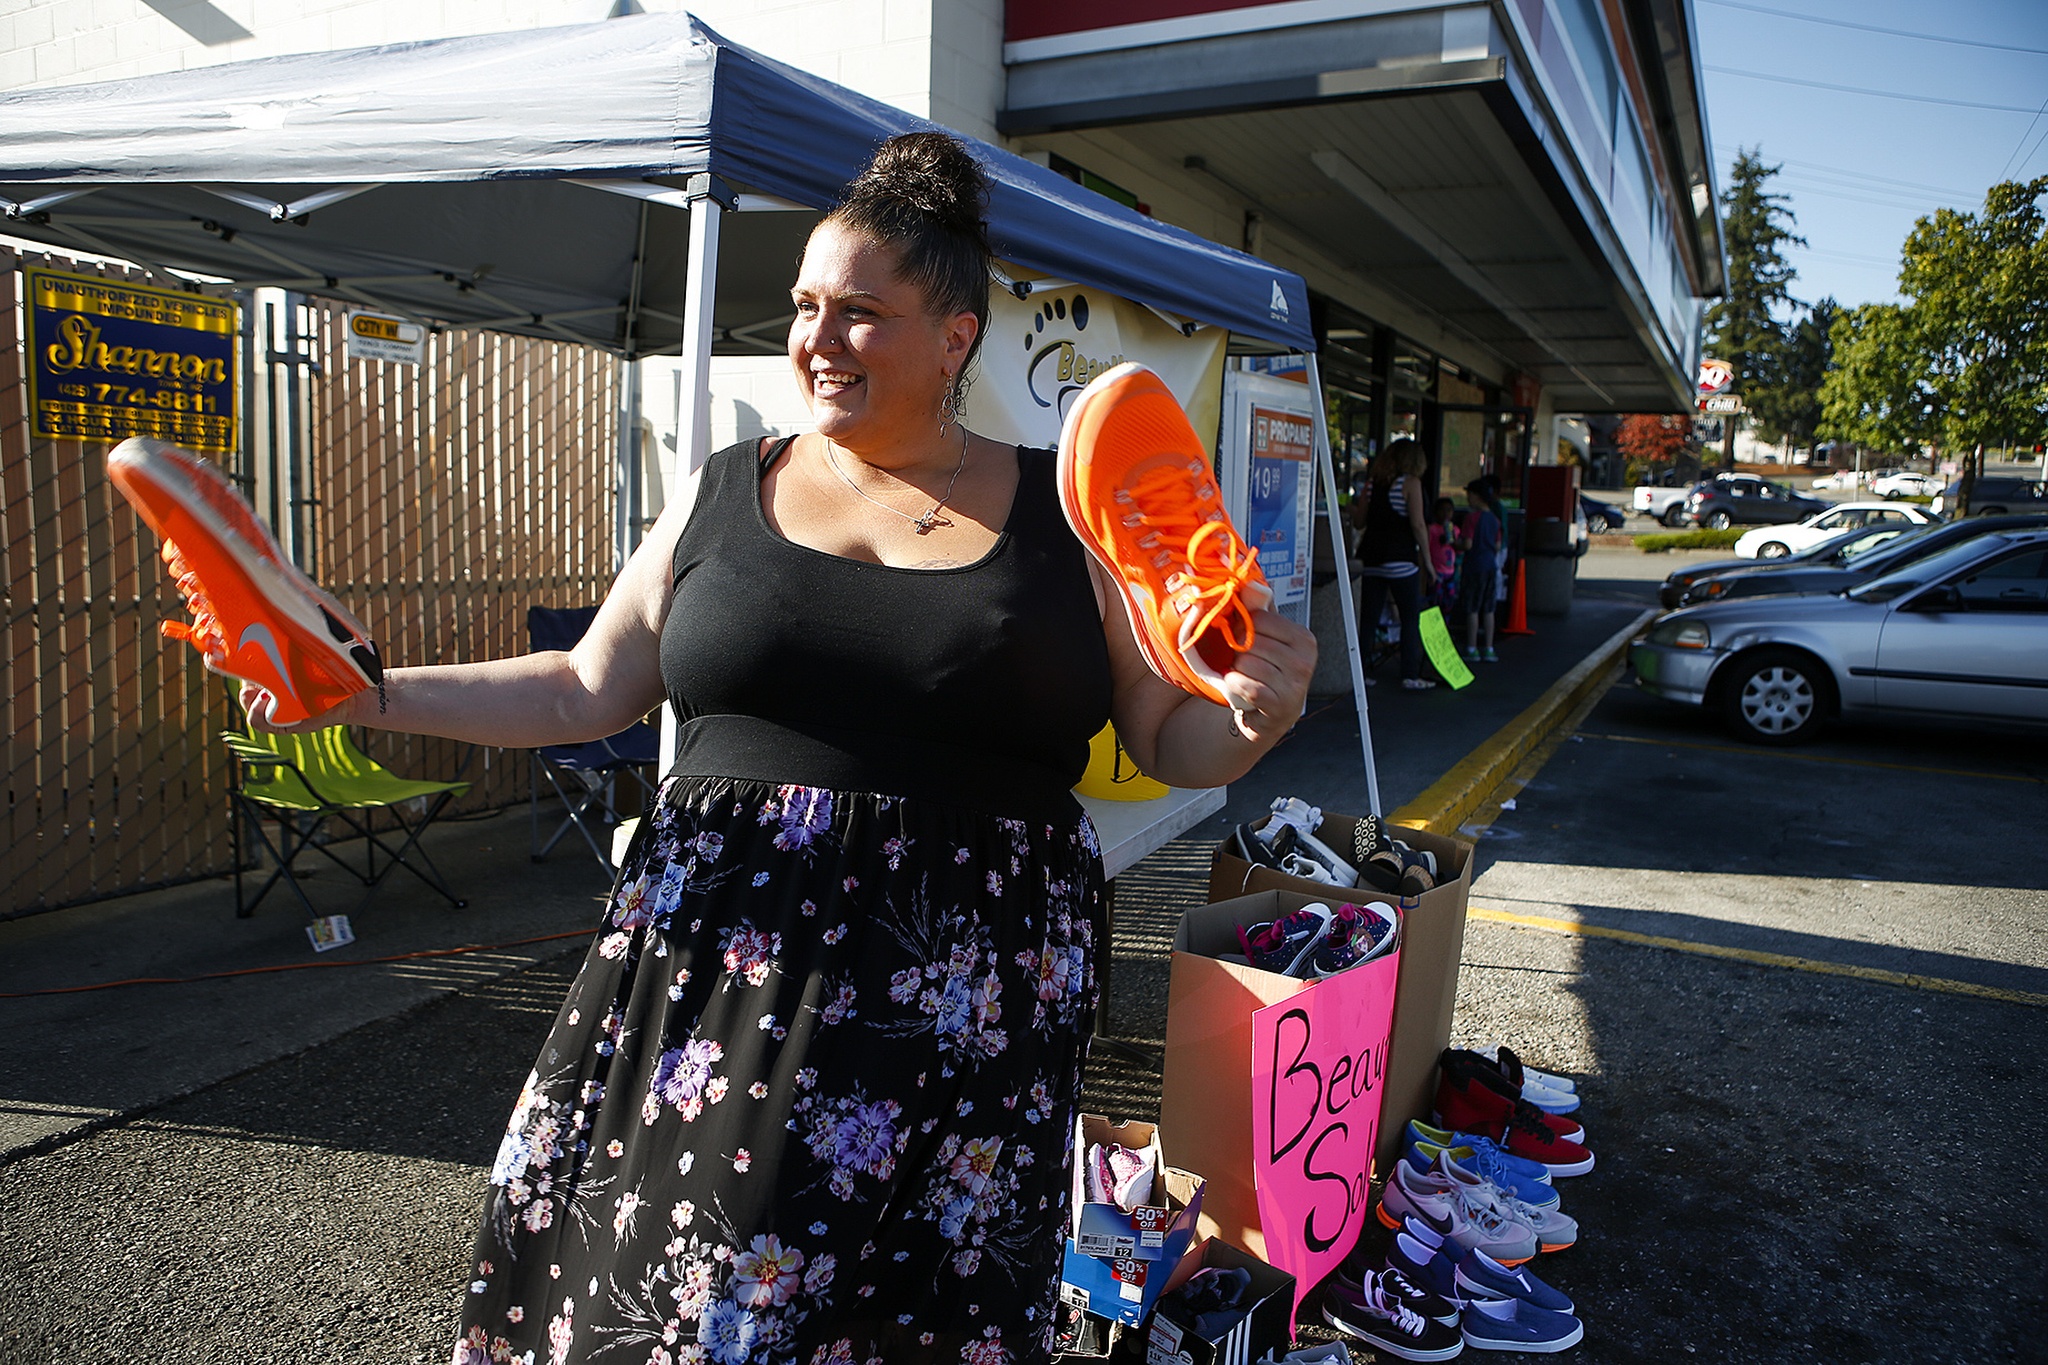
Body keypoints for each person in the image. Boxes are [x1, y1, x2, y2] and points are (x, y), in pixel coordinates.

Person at [237, 132, 1314, 1365]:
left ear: (955, 334)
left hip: (967, 1009)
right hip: (714, 990)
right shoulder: (719, 488)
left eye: (861, 313)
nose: (816, 340)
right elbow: (583, 687)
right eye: (805, 306)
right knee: (684, 1311)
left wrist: (1248, 716)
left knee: (910, 1324)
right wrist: (365, 693)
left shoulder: (1065, 509)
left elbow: (1164, 736)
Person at [1351, 438, 1434, 690]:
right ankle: (1409, 674)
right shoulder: (1411, 483)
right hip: (1401, 559)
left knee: (1367, 619)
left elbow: (1359, 523)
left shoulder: (1372, 484)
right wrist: (1428, 562)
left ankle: (1360, 673)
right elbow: (1418, 524)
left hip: (1372, 558)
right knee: (1410, 618)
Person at [1459, 476, 1504, 663]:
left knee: (1472, 609)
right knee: (1488, 609)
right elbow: (1498, 545)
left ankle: (1472, 648)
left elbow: (1467, 544)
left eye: (1469, 494)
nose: (1468, 498)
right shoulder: (1494, 519)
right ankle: (1489, 647)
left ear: (1477, 496)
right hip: (1490, 566)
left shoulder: (1471, 518)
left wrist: (1456, 544)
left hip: (1473, 566)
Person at [1426, 496, 1459, 608]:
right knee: (1435, 600)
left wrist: (1454, 539)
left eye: (1449, 510)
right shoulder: (1431, 529)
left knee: (1449, 601)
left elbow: (1459, 548)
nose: (1446, 513)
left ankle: (1446, 622)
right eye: (1442, 510)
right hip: (1436, 571)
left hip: (1450, 572)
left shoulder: (1454, 529)